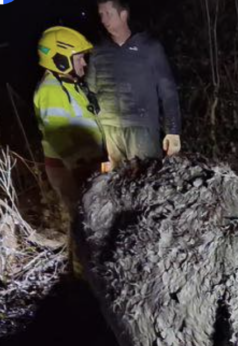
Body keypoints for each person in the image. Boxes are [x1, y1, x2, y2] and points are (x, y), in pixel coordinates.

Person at [87, 0, 181, 167]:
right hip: (110, 131)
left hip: (142, 128)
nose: (103, 20)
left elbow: (168, 91)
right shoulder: (97, 51)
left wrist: (173, 131)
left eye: (108, 14)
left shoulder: (149, 48)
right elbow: (90, 92)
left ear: (123, 15)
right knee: (118, 185)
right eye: (101, 15)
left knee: (146, 181)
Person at [34, 26, 104, 226]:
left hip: (83, 164)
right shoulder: (51, 90)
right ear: (60, 60)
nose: (84, 62)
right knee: (83, 221)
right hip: (71, 169)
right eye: (79, 58)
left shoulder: (69, 84)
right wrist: (80, 166)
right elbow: (58, 134)